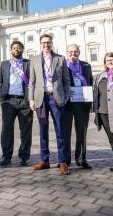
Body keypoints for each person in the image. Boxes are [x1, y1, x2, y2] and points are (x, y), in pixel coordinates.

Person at [29, 34, 71, 175]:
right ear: (40, 44)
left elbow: (66, 79)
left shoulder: (60, 58)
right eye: (43, 43)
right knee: (43, 131)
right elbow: (32, 82)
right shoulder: (34, 60)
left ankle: (63, 161)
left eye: (48, 42)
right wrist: (31, 99)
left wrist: (65, 97)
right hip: (41, 99)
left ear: (51, 43)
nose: (46, 45)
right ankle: (44, 160)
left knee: (60, 131)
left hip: (56, 98)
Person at [0, 41, 32, 166]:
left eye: (18, 48)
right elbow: (0, 81)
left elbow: (33, 81)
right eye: (14, 48)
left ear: (22, 49)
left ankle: (24, 156)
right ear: (11, 50)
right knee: (6, 129)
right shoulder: (5, 64)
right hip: (8, 101)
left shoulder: (29, 63)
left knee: (26, 130)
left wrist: (31, 99)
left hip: (25, 101)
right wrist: (2, 98)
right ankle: (6, 156)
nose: (16, 49)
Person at [64, 44, 93, 169]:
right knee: (65, 133)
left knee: (82, 132)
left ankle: (81, 159)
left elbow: (90, 82)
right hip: (67, 103)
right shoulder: (62, 65)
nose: (73, 54)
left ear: (79, 52)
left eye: (75, 51)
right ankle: (65, 160)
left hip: (82, 102)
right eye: (70, 52)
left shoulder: (86, 66)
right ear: (67, 53)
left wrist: (90, 102)